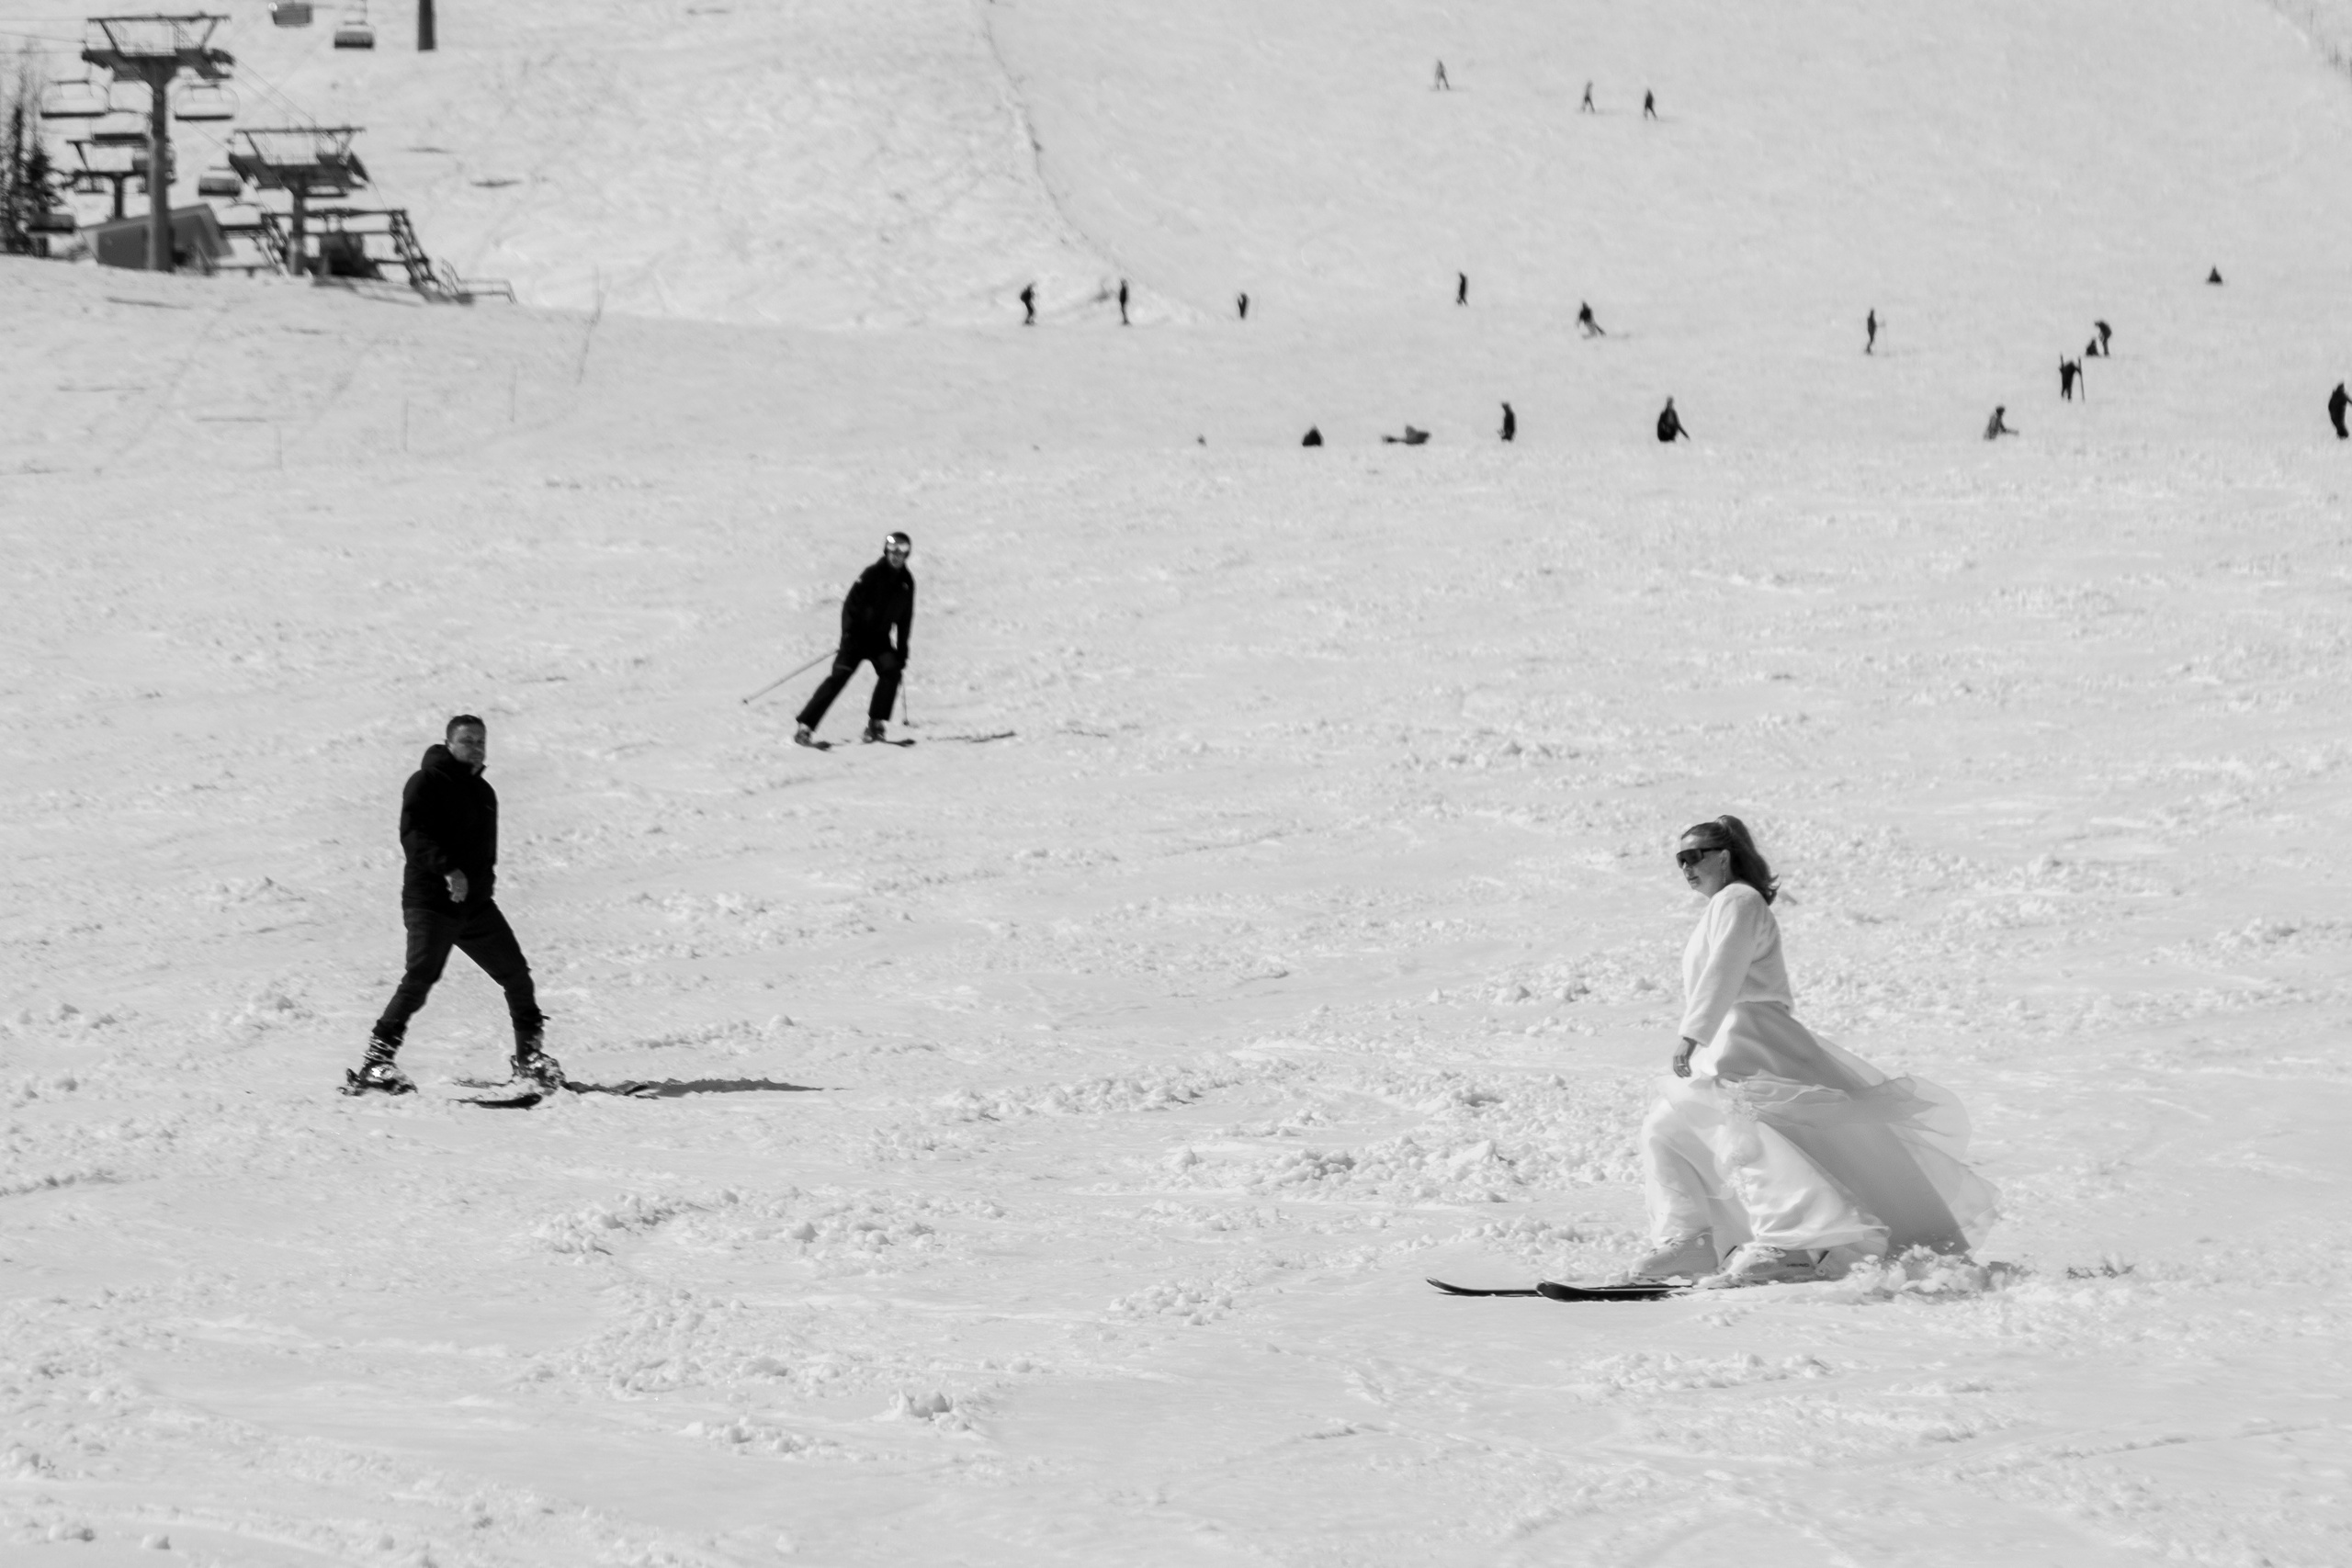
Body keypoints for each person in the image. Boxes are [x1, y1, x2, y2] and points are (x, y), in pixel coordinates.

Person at [1627, 817, 1998, 1286]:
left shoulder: (1740, 899)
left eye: (1694, 856)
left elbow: (1726, 969)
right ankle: (1690, 1239)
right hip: (1726, 1035)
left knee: (1746, 1133)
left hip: (1750, 1032)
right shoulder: (1722, 905)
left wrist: (1692, 1032)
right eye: (1679, 859)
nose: (1685, 867)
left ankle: (1790, 1245)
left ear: (1724, 856)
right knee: (1666, 1125)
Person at [349, 716, 555, 1095]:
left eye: (480, 741)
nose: (475, 747)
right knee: (420, 978)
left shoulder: (483, 791)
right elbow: (413, 835)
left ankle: (530, 1058)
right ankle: (376, 1062)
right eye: (467, 740)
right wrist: (448, 870)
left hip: (475, 907)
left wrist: (478, 886)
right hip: (431, 903)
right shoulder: (426, 782)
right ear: (448, 743)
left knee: (516, 976)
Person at [797, 533, 916, 746]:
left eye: (902, 550)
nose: (897, 554)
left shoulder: (906, 583)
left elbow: (905, 618)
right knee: (838, 678)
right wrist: (848, 635)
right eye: (893, 549)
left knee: (892, 670)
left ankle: (875, 725)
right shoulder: (872, 574)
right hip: (857, 638)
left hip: (880, 640)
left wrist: (902, 648)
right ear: (886, 551)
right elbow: (850, 605)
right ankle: (805, 727)